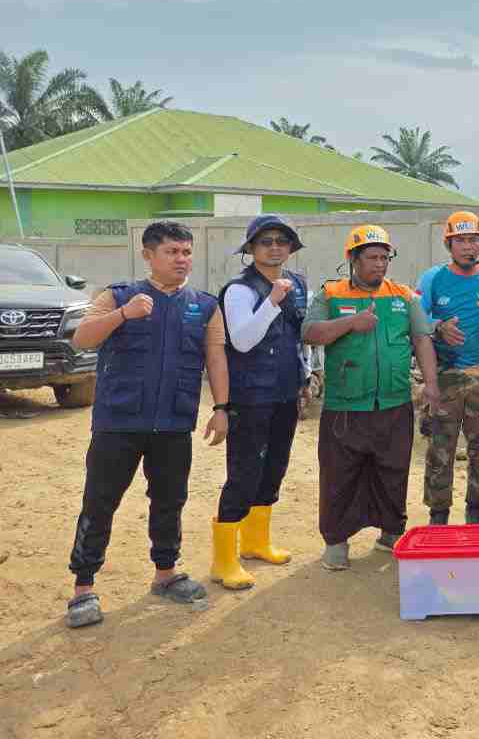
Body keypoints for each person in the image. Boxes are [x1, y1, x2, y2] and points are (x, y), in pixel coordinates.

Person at [64, 221, 228, 629]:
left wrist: (223, 407)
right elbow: (82, 338)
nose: (181, 259)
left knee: (170, 499)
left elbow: (215, 356)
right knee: (100, 502)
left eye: (186, 252)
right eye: (172, 251)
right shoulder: (118, 296)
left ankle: (165, 573)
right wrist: (123, 314)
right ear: (148, 255)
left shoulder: (205, 305)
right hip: (118, 422)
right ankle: (83, 587)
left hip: (173, 423)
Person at [302, 224, 440, 571]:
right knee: (339, 475)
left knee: (393, 470)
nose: (380, 264)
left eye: (384, 258)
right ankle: (336, 542)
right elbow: (310, 333)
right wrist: (349, 324)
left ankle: (391, 532)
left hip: (394, 403)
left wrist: (432, 384)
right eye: (372, 258)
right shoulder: (331, 294)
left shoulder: (404, 296)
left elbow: (422, 339)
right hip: (346, 405)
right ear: (353, 259)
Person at [210, 215, 310, 591]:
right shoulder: (240, 289)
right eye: (265, 241)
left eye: (282, 241)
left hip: (285, 392)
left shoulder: (297, 283)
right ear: (251, 248)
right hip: (250, 397)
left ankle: (255, 542)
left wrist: (305, 375)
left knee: (274, 468)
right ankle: (224, 560)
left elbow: (299, 336)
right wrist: (271, 301)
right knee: (244, 473)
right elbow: (242, 340)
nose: (274, 247)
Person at [420, 211, 479, 525]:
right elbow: (416, 320)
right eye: (461, 241)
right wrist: (438, 326)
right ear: (449, 245)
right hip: (445, 377)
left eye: (473, 240)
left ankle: (476, 511)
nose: (468, 246)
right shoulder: (432, 278)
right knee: (440, 448)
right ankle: (438, 513)